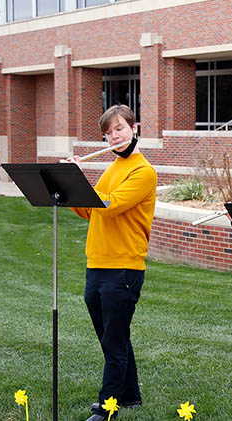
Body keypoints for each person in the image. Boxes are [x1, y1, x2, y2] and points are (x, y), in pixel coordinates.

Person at [65, 104, 157, 421]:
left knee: (114, 341)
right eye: (108, 133)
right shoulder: (111, 168)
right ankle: (131, 395)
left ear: (135, 128)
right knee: (111, 337)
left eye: (119, 129)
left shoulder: (143, 171)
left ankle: (108, 408)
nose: (113, 136)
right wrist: (68, 185)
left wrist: (79, 182)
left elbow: (109, 205)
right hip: (97, 264)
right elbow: (88, 210)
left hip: (124, 268)